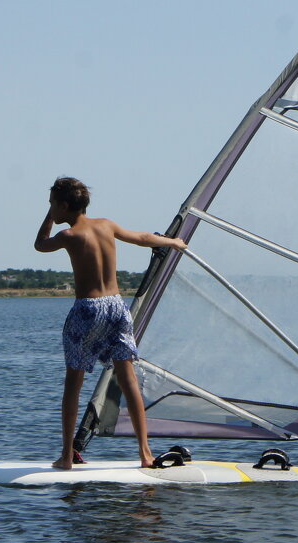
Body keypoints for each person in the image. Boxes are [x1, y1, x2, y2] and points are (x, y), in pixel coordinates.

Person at [34, 177, 188, 470]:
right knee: (128, 380)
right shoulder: (106, 225)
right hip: (117, 306)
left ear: (64, 206)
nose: (51, 209)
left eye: (52, 204)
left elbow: (40, 245)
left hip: (87, 310)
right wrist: (173, 242)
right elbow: (143, 238)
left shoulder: (69, 235)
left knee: (73, 384)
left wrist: (49, 218)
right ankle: (145, 454)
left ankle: (66, 457)